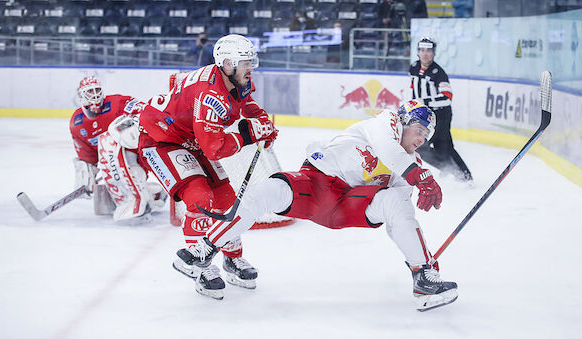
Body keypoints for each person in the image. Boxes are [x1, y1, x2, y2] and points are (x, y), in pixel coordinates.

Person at [177, 101, 459, 311]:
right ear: (403, 120)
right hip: (316, 184)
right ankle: (206, 248)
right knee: (268, 191)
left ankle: (423, 275)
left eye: (427, 137)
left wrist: (422, 252)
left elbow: (398, 211)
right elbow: (388, 149)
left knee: (396, 201)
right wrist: (420, 177)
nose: (422, 140)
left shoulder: (410, 165)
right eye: (420, 130)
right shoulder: (384, 124)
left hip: (349, 203)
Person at [136, 34, 278, 297]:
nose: (252, 68)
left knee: (226, 199)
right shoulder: (210, 94)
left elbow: (246, 103)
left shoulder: (235, 79)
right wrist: (250, 134)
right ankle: (201, 266)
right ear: (226, 63)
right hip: (162, 140)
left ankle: (232, 258)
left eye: (251, 61)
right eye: (245, 63)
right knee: (200, 198)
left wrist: (261, 123)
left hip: (194, 138)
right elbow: (215, 147)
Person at [70, 76, 166, 223]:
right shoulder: (77, 122)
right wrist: (88, 177)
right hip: (110, 162)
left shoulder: (116, 102)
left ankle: (138, 201)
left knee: (135, 172)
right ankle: (152, 195)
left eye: (97, 89)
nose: (95, 94)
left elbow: (142, 109)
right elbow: (87, 155)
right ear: (81, 95)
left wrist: (133, 118)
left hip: (135, 151)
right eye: (90, 91)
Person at [409, 37, 473, 181]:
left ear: (434, 53)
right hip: (425, 117)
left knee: (438, 147)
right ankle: (452, 170)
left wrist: (424, 101)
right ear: (418, 52)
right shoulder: (413, 67)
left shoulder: (438, 73)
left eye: (429, 50)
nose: (425, 54)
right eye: (422, 50)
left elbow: (447, 97)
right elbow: (414, 89)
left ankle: (463, 176)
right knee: (430, 147)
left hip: (441, 115)